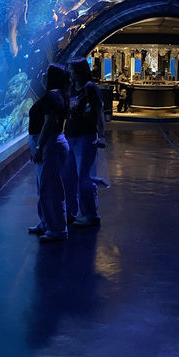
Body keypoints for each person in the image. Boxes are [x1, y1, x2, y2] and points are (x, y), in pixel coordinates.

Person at [27, 64, 70, 242]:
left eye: (46, 73)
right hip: (48, 144)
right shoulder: (57, 94)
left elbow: (49, 123)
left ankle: (58, 229)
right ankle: (46, 223)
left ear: (52, 77)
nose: (42, 75)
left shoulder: (53, 96)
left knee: (51, 189)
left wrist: (39, 147)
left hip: (49, 144)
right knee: (44, 187)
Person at [63, 57, 106, 227]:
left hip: (86, 137)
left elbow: (99, 112)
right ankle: (72, 212)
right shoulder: (71, 88)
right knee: (69, 176)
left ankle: (90, 214)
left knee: (84, 177)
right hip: (70, 136)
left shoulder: (90, 88)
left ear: (78, 71)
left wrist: (101, 135)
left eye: (71, 69)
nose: (69, 72)